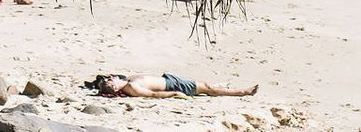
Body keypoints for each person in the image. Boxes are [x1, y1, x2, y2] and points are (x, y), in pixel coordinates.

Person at [87, 73, 258, 99]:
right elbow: (153, 95)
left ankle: (222, 87)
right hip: (173, 85)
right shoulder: (132, 88)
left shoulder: (127, 82)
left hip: (169, 79)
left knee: (206, 86)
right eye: (111, 81)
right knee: (207, 88)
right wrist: (175, 94)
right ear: (116, 88)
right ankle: (242, 92)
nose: (112, 78)